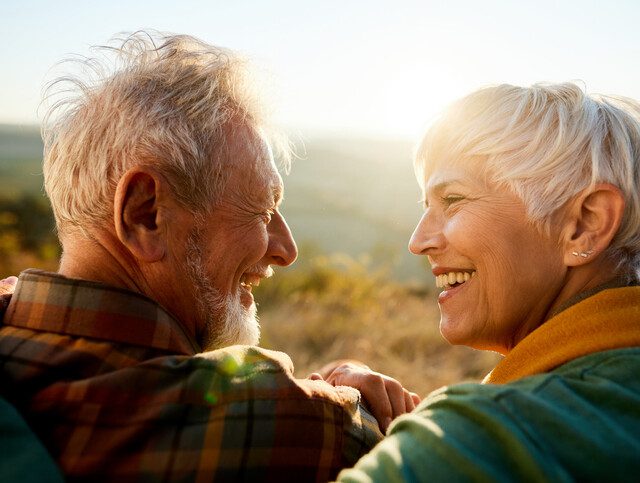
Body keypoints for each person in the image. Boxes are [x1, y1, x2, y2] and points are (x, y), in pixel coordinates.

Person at [0, 32, 418, 482]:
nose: (287, 250)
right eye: (261, 210)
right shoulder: (285, 425)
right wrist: (346, 394)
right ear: (146, 215)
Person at [338, 83, 640, 481]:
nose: (418, 242)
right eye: (425, 206)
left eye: (453, 200)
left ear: (585, 225)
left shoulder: (473, 441)